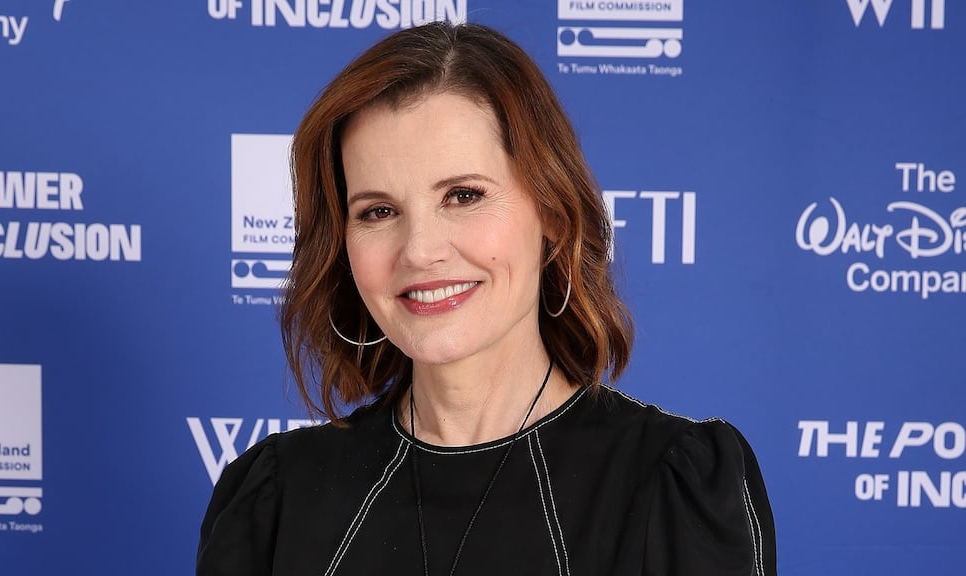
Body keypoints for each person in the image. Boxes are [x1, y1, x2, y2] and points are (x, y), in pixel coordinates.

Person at [197, 21, 776, 576]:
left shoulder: (672, 486)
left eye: (464, 196)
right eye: (378, 211)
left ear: (551, 212)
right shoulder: (276, 499)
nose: (419, 251)